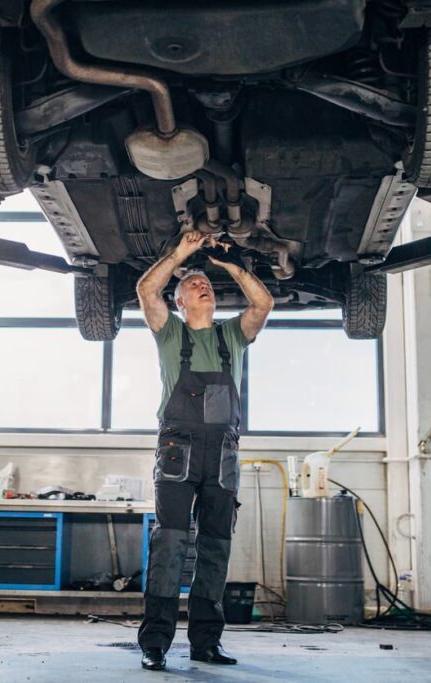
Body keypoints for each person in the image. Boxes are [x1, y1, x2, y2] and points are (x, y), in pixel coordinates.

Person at [135, 231, 274, 671]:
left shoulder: (232, 336)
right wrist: (183, 254)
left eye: (207, 284)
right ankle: (155, 642)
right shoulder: (170, 333)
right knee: (171, 546)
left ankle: (205, 643)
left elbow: (263, 305)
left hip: (223, 454)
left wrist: (230, 264)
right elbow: (145, 290)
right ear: (180, 303)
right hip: (179, 449)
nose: (203, 285)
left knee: (215, 548)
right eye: (192, 285)